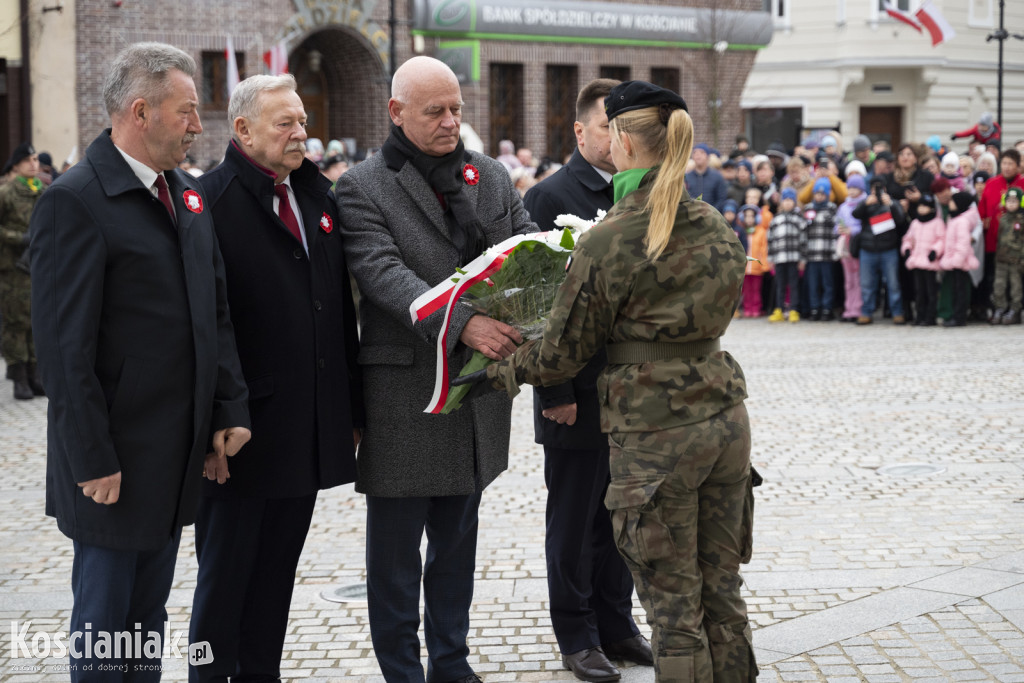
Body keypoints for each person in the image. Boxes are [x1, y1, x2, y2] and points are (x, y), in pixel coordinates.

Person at [456, 80, 757, 683]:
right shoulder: (716, 225)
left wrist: (489, 373)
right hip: (725, 421)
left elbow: (562, 353)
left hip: (655, 435)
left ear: (620, 139)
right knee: (722, 591)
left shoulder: (612, 237)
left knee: (673, 608)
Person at [28, 42, 252, 680]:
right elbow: (64, 351)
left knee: (147, 623)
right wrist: (91, 457)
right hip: (113, 463)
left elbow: (215, 317)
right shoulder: (74, 201)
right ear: (139, 111)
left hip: (175, 452)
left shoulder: (185, 196)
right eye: (186, 111)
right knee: (105, 634)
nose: (196, 126)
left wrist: (225, 411)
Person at [334, 55, 535, 683]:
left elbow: (527, 245)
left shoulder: (491, 176)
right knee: (395, 555)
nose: (452, 122)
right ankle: (402, 670)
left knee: (456, 545)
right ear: (396, 113)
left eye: (456, 109)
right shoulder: (362, 186)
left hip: (476, 392)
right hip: (405, 392)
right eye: (435, 112)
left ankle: (451, 661)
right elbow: (384, 277)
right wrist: (464, 321)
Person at [188, 74, 364, 683]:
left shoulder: (317, 197)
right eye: (285, 123)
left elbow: (337, 310)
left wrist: (350, 412)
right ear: (242, 130)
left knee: (275, 578)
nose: (301, 134)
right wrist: (216, 418)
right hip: (239, 434)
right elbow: (204, 328)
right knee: (223, 584)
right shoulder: (205, 202)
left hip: (306, 425)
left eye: (303, 122)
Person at [521, 77, 652, 682]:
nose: (620, 137)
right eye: (609, 126)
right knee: (573, 522)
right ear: (580, 131)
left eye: (627, 127)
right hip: (575, 390)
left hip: (632, 391)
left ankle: (617, 624)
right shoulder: (551, 196)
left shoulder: (641, 193)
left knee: (620, 516)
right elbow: (538, 305)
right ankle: (576, 635)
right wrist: (553, 391)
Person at [0, 142, 45, 399]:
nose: (33, 164)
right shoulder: (6, 193)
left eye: (36, 159)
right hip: (13, 269)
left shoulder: (43, 190)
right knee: (16, 324)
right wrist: (20, 238)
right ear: (16, 165)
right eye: (28, 160)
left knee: (37, 321)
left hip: (38, 267)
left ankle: (36, 374)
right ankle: (19, 377)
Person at [977, 149, 1024, 319]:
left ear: (1018, 166)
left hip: (1016, 245)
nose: (1007, 167)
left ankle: (1015, 307)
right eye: (1004, 163)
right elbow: (982, 208)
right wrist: (982, 220)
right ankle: (996, 306)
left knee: (1016, 280)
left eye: (1011, 163)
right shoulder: (992, 183)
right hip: (993, 240)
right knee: (995, 277)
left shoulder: (1022, 183)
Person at [853, 177, 906, 325]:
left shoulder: (891, 202)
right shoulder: (866, 202)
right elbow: (855, 214)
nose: (877, 191)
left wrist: (890, 204)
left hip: (888, 249)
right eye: (874, 188)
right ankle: (866, 312)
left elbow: (901, 219)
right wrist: (865, 203)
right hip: (868, 249)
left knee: (893, 283)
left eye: (880, 188)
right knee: (866, 284)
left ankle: (897, 312)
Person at [901, 177, 947, 326]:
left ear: (931, 208)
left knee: (931, 292)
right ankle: (919, 315)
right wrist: (907, 250)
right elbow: (908, 239)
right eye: (920, 206)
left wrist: (935, 251)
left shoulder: (937, 223)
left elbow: (941, 239)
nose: (921, 209)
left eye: (925, 206)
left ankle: (930, 316)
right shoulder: (915, 223)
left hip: (930, 262)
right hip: (916, 261)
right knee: (919, 292)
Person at [937, 182, 981, 327]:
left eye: (953, 201)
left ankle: (959, 317)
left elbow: (963, 244)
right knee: (956, 290)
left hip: (959, 262)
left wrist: (955, 260)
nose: (949, 204)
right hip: (955, 261)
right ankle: (956, 316)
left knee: (960, 291)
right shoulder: (955, 219)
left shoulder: (961, 221)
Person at [767, 187, 807, 323]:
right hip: (779, 257)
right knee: (780, 284)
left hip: (794, 257)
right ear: (781, 202)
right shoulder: (776, 219)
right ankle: (779, 309)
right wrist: (770, 258)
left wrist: (803, 259)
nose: (788, 203)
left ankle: (793, 309)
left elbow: (803, 240)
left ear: (794, 202)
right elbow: (771, 240)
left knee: (794, 284)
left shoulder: (799, 219)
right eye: (785, 200)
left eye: (790, 200)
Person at [804, 177, 838, 320]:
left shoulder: (832, 209)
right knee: (813, 284)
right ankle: (814, 308)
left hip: (826, 253)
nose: (819, 196)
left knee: (827, 283)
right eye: (817, 193)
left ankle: (827, 308)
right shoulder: (808, 209)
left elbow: (835, 231)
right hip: (811, 254)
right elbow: (803, 231)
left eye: (822, 194)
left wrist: (835, 250)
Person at [990, 187, 1024, 324]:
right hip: (1002, 259)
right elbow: (999, 238)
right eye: (1008, 201)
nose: (1011, 204)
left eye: (1014, 201)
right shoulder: (1003, 219)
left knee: (1016, 286)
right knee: (999, 285)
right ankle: (1000, 307)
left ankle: (1015, 310)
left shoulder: (1022, 220)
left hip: (1016, 259)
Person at [835, 175, 867, 322]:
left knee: (859, 278)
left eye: (855, 188)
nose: (852, 191)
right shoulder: (843, 206)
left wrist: (852, 230)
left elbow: (864, 226)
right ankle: (849, 309)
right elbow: (837, 223)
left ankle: (858, 309)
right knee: (849, 280)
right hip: (845, 245)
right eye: (850, 188)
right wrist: (840, 229)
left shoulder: (864, 204)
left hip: (858, 244)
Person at [741, 203, 769, 318]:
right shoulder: (742, 231)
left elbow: (764, 249)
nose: (749, 219)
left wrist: (764, 264)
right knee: (746, 290)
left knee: (756, 290)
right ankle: (747, 308)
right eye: (746, 216)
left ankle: (756, 308)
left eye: (751, 216)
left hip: (757, 268)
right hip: (744, 268)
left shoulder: (761, 231)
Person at [685, 142, 727, 211]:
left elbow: (721, 199)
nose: (698, 155)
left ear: (708, 156)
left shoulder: (717, 177)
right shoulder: (687, 177)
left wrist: (711, 213)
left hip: (712, 216)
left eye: (702, 152)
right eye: (695, 152)